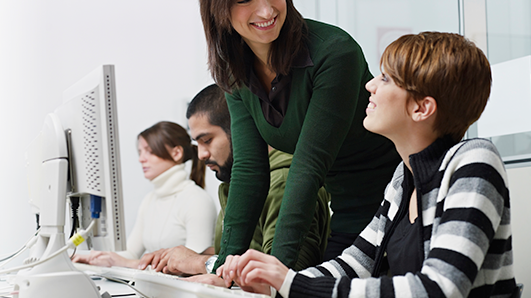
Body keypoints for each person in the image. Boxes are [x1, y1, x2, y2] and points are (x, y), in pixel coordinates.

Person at [218, 32, 516, 298]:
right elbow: (354, 264)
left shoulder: (474, 161)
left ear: (421, 108)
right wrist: (274, 282)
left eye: (386, 79)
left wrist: (292, 284)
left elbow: (440, 287)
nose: (370, 85)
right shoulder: (403, 177)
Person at [199, 0, 401, 272]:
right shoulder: (235, 74)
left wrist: (276, 271)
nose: (266, 10)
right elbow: (249, 171)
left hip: (397, 209)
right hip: (348, 215)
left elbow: (307, 169)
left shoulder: (334, 53)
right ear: (219, 8)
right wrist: (223, 270)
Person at [138, 84, 331, 285]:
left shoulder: (283, 181)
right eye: (198, 144)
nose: (201, 154)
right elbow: (236, 256)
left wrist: (200, 263)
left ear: (241, 130)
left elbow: (282, 276)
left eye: (207, 140)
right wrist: (179, 259)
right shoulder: (232, 187)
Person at [72, 121, 216, 268]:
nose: (141, 159)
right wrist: (95, 258)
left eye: (149, 151)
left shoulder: (197, 201)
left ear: (176, 153)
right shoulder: (150, 200)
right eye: (140, 152)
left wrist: (128, 264)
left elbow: (194, 267)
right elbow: (130, 253)